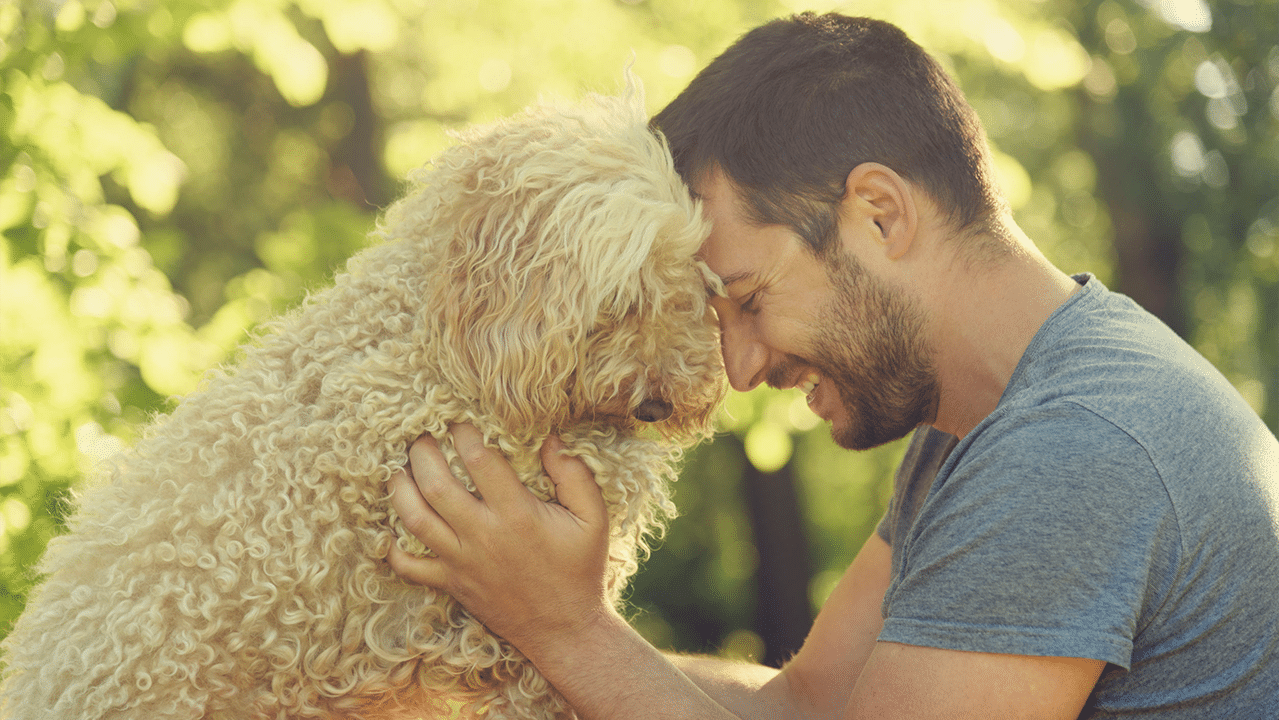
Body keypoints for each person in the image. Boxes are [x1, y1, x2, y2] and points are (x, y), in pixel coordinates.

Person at [385, 12, 1279, 719]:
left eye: (749, 298)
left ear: (879, 214)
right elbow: (805, 704)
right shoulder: (981, 429)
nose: (736, 369)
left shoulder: (1073, 449)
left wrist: (566, 629)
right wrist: (473, 673)